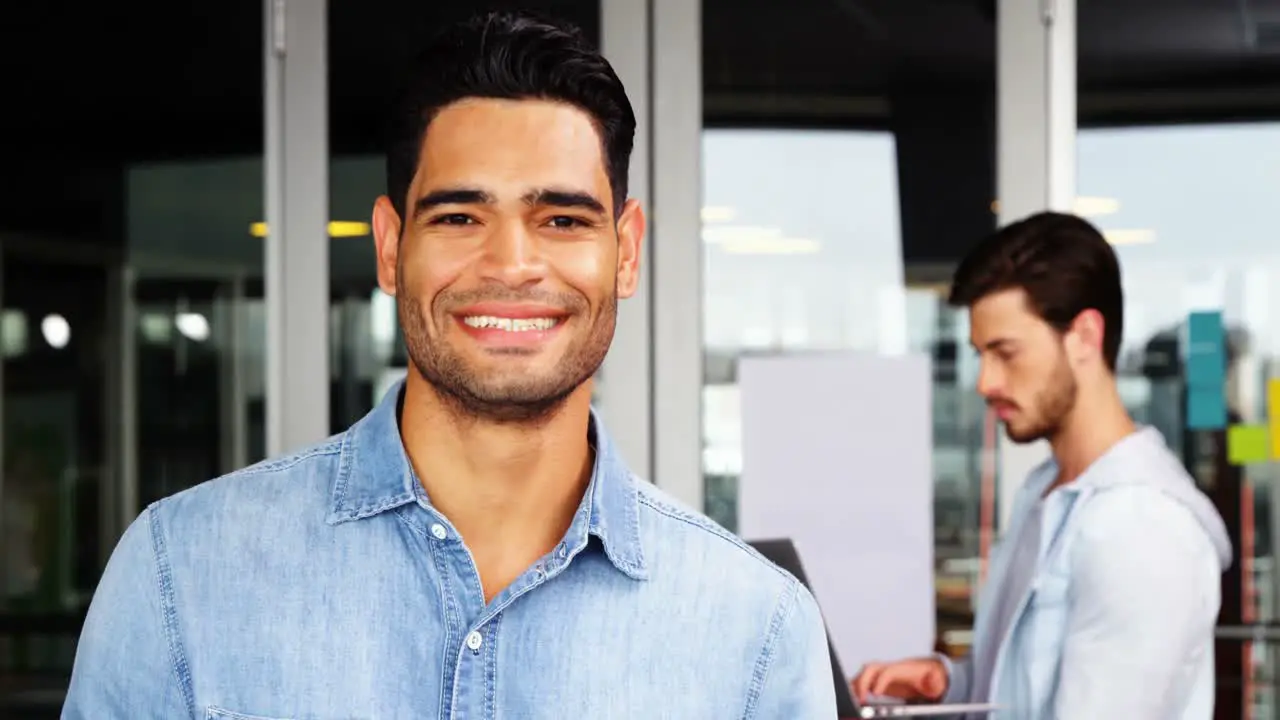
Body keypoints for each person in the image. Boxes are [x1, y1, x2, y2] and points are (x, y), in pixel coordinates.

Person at [63, 12, 836, 719]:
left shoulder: (757, 632)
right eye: (461, 216)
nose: (512, 263)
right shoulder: (181, 576)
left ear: (625, 251)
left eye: (562, 219)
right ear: (392, 246)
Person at [852, 212, 1232, 719]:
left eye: (1005, 353)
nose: (985, 381)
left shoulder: (1140, 526)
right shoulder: (1044, 491)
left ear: (1084, 337)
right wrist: (950, 685)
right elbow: (1022, 694)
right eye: (981, 355)